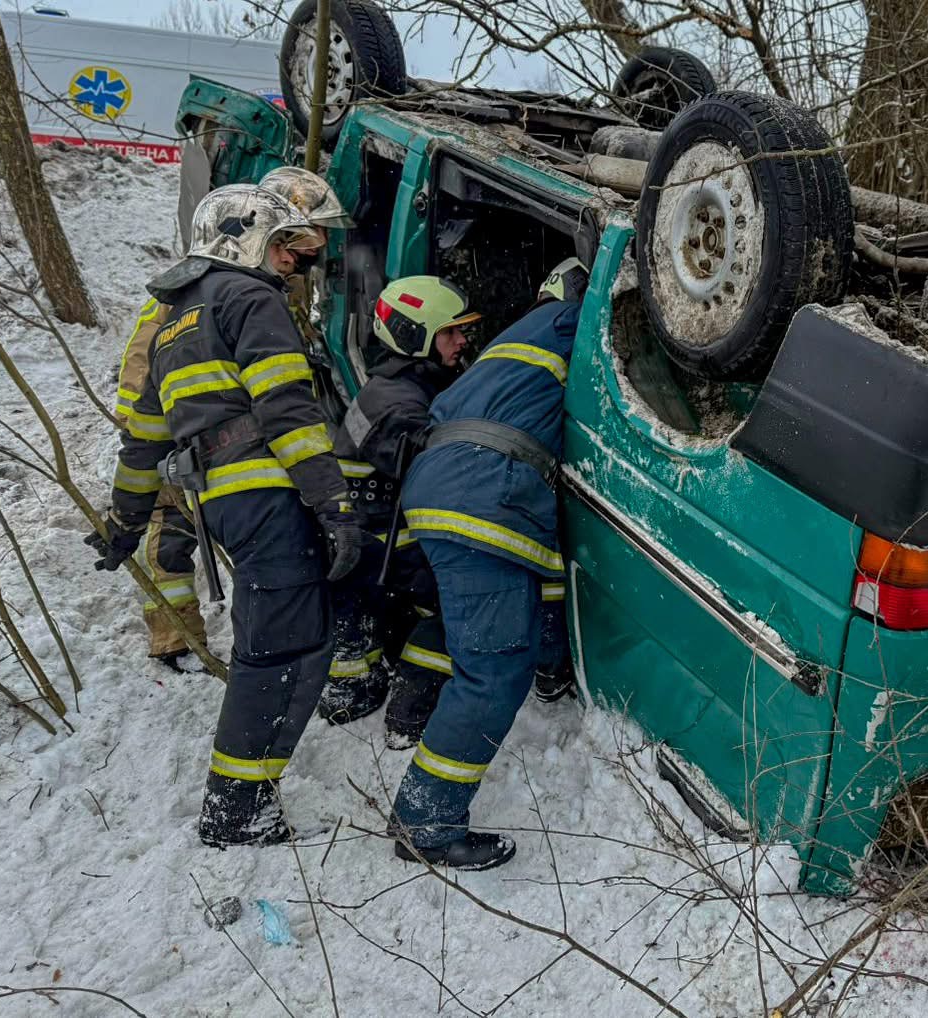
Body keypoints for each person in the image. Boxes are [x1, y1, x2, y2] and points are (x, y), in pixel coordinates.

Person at [86, 183, 366, 847]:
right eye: (280, 245)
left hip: (222, 505)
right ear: (242, 240)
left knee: (274, 636)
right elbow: (287, 411)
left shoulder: (174, 324)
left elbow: (143, 441)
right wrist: (335, 502)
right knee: (284, 648)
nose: (292, 260)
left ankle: (240, 801)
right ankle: (236, 811)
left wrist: (125, 524)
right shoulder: (249, 297)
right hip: (269, 494)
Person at [388, 256, 588, 870]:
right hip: (481, 494)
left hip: (446, 487)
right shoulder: (563, 322)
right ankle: (425, 821)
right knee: (493, 669)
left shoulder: (510, 350)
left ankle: (418, 746)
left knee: (490, 629)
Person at [110, 166, 354, 671]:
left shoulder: (255, 284)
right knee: (172, 527)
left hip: (200, 431)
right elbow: (151, 374)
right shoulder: (211, 291)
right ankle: (174, 639)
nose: (308, 252)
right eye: (301, 238)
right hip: (175, 426)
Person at [318, 276, 478, 729]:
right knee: (461, 601)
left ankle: (365, 678)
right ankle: (410, 712)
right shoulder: (396, 406)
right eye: (450, 332)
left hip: (376, 531)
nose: (461, 341)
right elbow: (442, 471)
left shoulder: (400, 385)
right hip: (377, 538)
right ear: (415, 336)